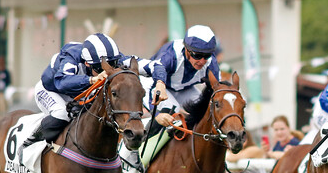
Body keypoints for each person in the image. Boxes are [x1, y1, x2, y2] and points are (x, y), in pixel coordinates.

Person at [23, 33, 166, 150]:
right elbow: (62, 82)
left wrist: (160, 83)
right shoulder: (71, 57)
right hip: (53, 91)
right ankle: (31, 142)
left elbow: (155, 65)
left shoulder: (117, 60)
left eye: (112, 65)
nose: (106, 71)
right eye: (100, 68)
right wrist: (92, 80)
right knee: (62, 113)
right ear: (87, 63)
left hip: (82, 93)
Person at [148, 24, 221, 128]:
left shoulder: (211, 63)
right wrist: (156, 115)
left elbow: (219, 91)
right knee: (171, 108)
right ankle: (143, 140)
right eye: (197, 55)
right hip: (152, 85)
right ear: (186, 49)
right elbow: (151, 85)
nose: (202, 61)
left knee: (208, 110)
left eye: (207, 56)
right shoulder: (170, 56)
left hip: (184, 89)